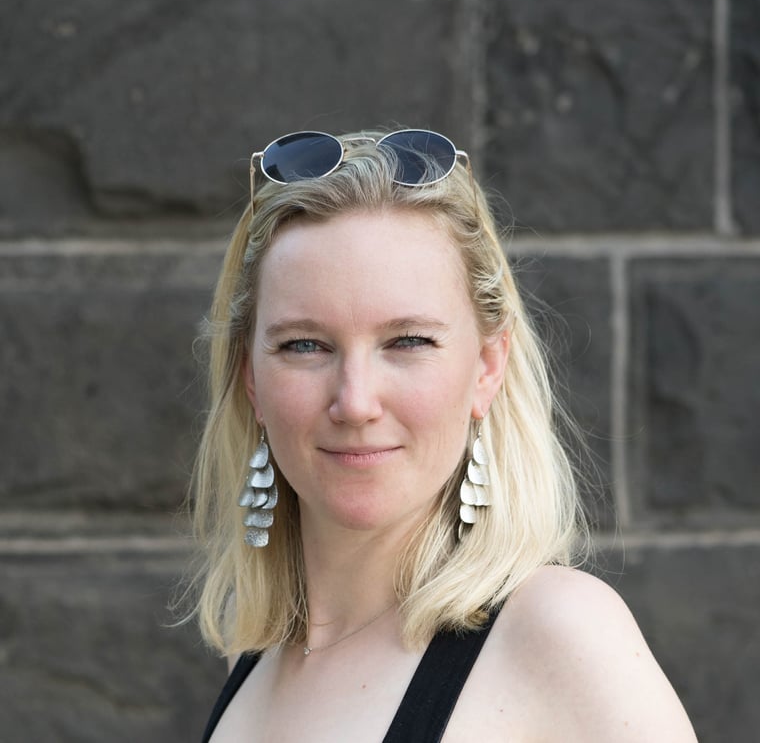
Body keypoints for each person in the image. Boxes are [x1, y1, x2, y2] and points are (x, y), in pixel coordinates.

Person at [189, 129, 697, 742]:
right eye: (304, 345)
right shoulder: (255, 661)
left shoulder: (559, 633)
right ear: (250, 377)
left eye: (407, 341)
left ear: (487, 366)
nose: (355, 402)